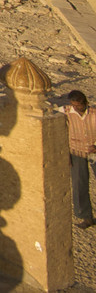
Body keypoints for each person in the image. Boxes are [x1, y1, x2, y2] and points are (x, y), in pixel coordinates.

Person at [64, 90, 96, 228]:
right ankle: (86, 217)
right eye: (74, 105)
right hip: (76, 151)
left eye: (79, 105)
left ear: (85, 103)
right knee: (79, 185)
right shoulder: (66, 112)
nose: (76, 108)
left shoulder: (94, 114)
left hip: (93, 150)